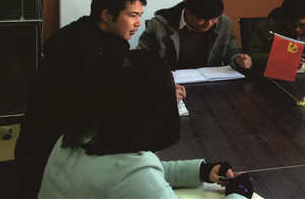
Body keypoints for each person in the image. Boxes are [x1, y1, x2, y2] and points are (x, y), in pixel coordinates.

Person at [38, 50, 254, 198]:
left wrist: (201, 170)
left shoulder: (80, 135)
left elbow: (139, 174)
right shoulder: (131, 172)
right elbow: (136, 175)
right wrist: (239, 194)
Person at [15, 0, 147, 197]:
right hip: (53, 149)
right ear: (107, 15)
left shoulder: (108, 39)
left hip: (74, 138)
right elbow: (101, 100)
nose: (138, 23)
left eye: (140, 16)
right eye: (132, 15)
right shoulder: (75, 47)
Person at [138, 0, 252, 71]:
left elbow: (232, 51)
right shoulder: (158, 25)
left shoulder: (224, 23)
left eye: (214, 19)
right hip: (172, 84)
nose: (209, 24)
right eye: (202, 19)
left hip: (210, 84)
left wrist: (238, 59)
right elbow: (141, 60)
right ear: (187, 12)